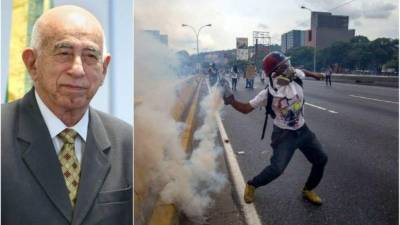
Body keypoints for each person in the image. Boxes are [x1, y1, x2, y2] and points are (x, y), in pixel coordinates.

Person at [2, 6, 132, 225]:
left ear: (104, 69)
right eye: (64, 53)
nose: (78, 69)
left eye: (91, 56)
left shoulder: (128, 142)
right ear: (32, 63)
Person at [223, 52, 328, 206]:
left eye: (288, 64)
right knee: (277, 169)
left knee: (321, 159)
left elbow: (303, 71)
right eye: (284, 66)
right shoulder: (267, 94)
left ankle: (308, 190)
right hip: (284, 136)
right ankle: (252, 184)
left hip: (303, 130)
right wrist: (232, 102)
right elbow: (246, 108)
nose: (289, 68)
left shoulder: (295, 76)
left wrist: (316, 75)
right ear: (275, 73)